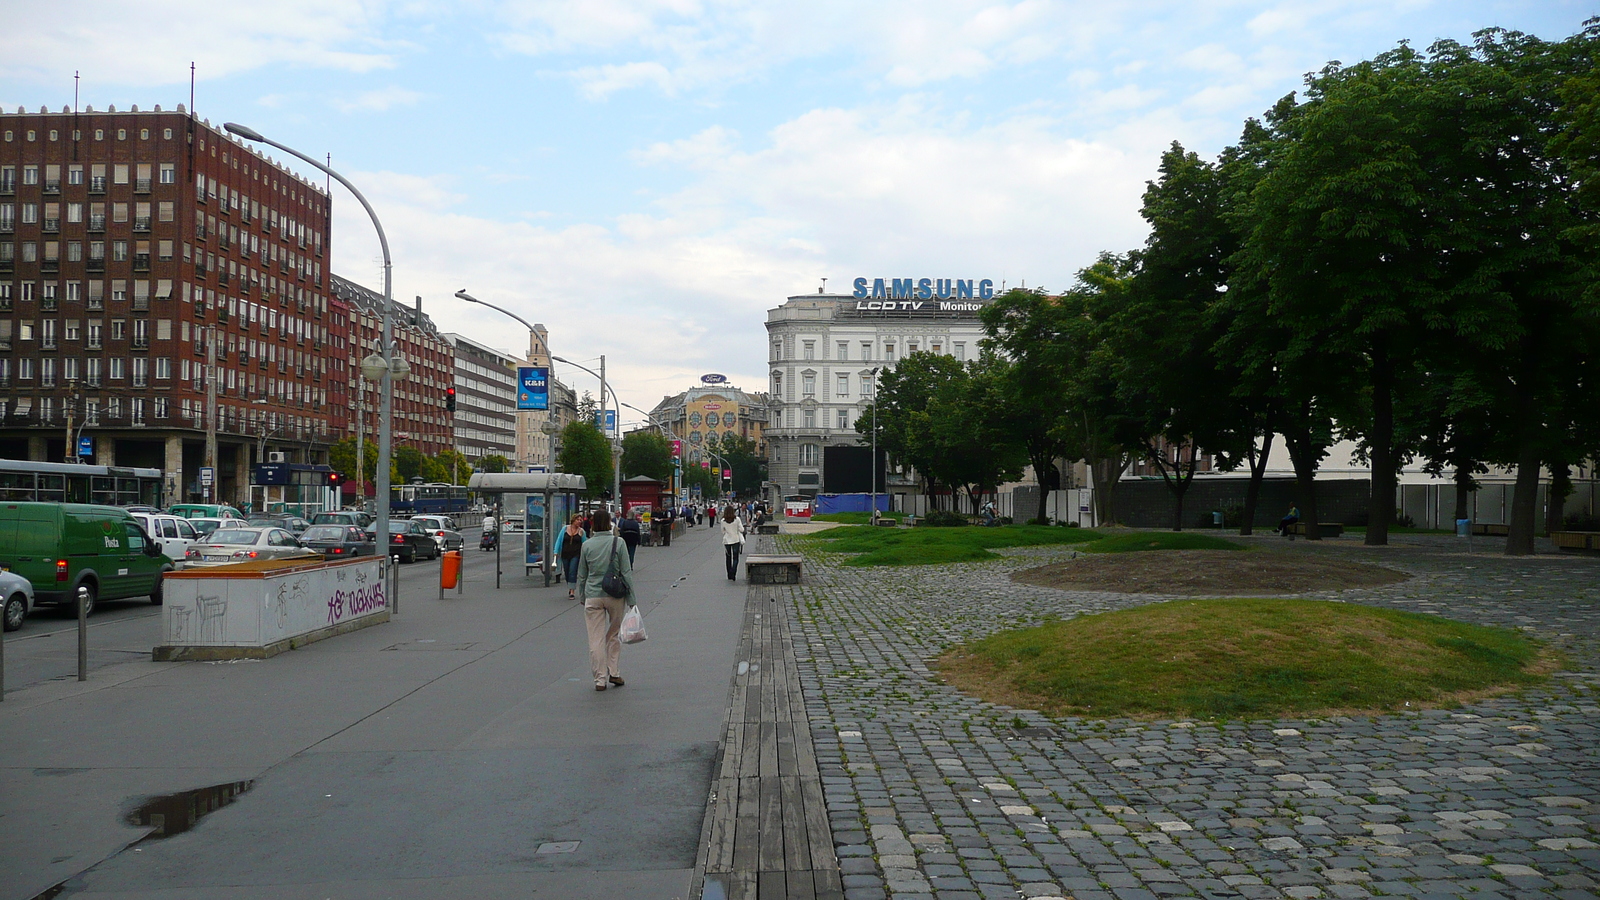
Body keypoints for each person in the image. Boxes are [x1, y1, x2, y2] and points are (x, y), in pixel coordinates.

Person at [575, 509, 635, 691]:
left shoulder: (587, 545)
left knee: (595, 639)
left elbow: (582, 574)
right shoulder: (619, 543)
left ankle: (600, 679)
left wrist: (583, 596)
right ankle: (614, 672)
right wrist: (631, 598)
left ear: (592, 524)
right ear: (610, 522)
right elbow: (626, 572)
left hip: (593, 594)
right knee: (613, 634)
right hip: (615, 594)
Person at [555, 514, 586, 600]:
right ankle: (570, 585)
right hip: (565, 554)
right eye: (578, 520)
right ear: (573, 520)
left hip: (576, 554)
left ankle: (572, 591)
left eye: (580, 520)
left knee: (573, 571)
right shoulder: (565, 529)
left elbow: (585, 543)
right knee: (567, 572)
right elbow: (559, 540)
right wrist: (556, 552)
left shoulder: (581, 531)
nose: (579, 521)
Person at [720, 504, 746, 580]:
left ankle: (729, 574)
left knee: (728, 558)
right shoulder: (737, 519)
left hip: (727, 540)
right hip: (736, 539)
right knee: (735, 558)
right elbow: (742, 529)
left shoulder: (723, 520)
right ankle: (733, 572)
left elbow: (722, 531)